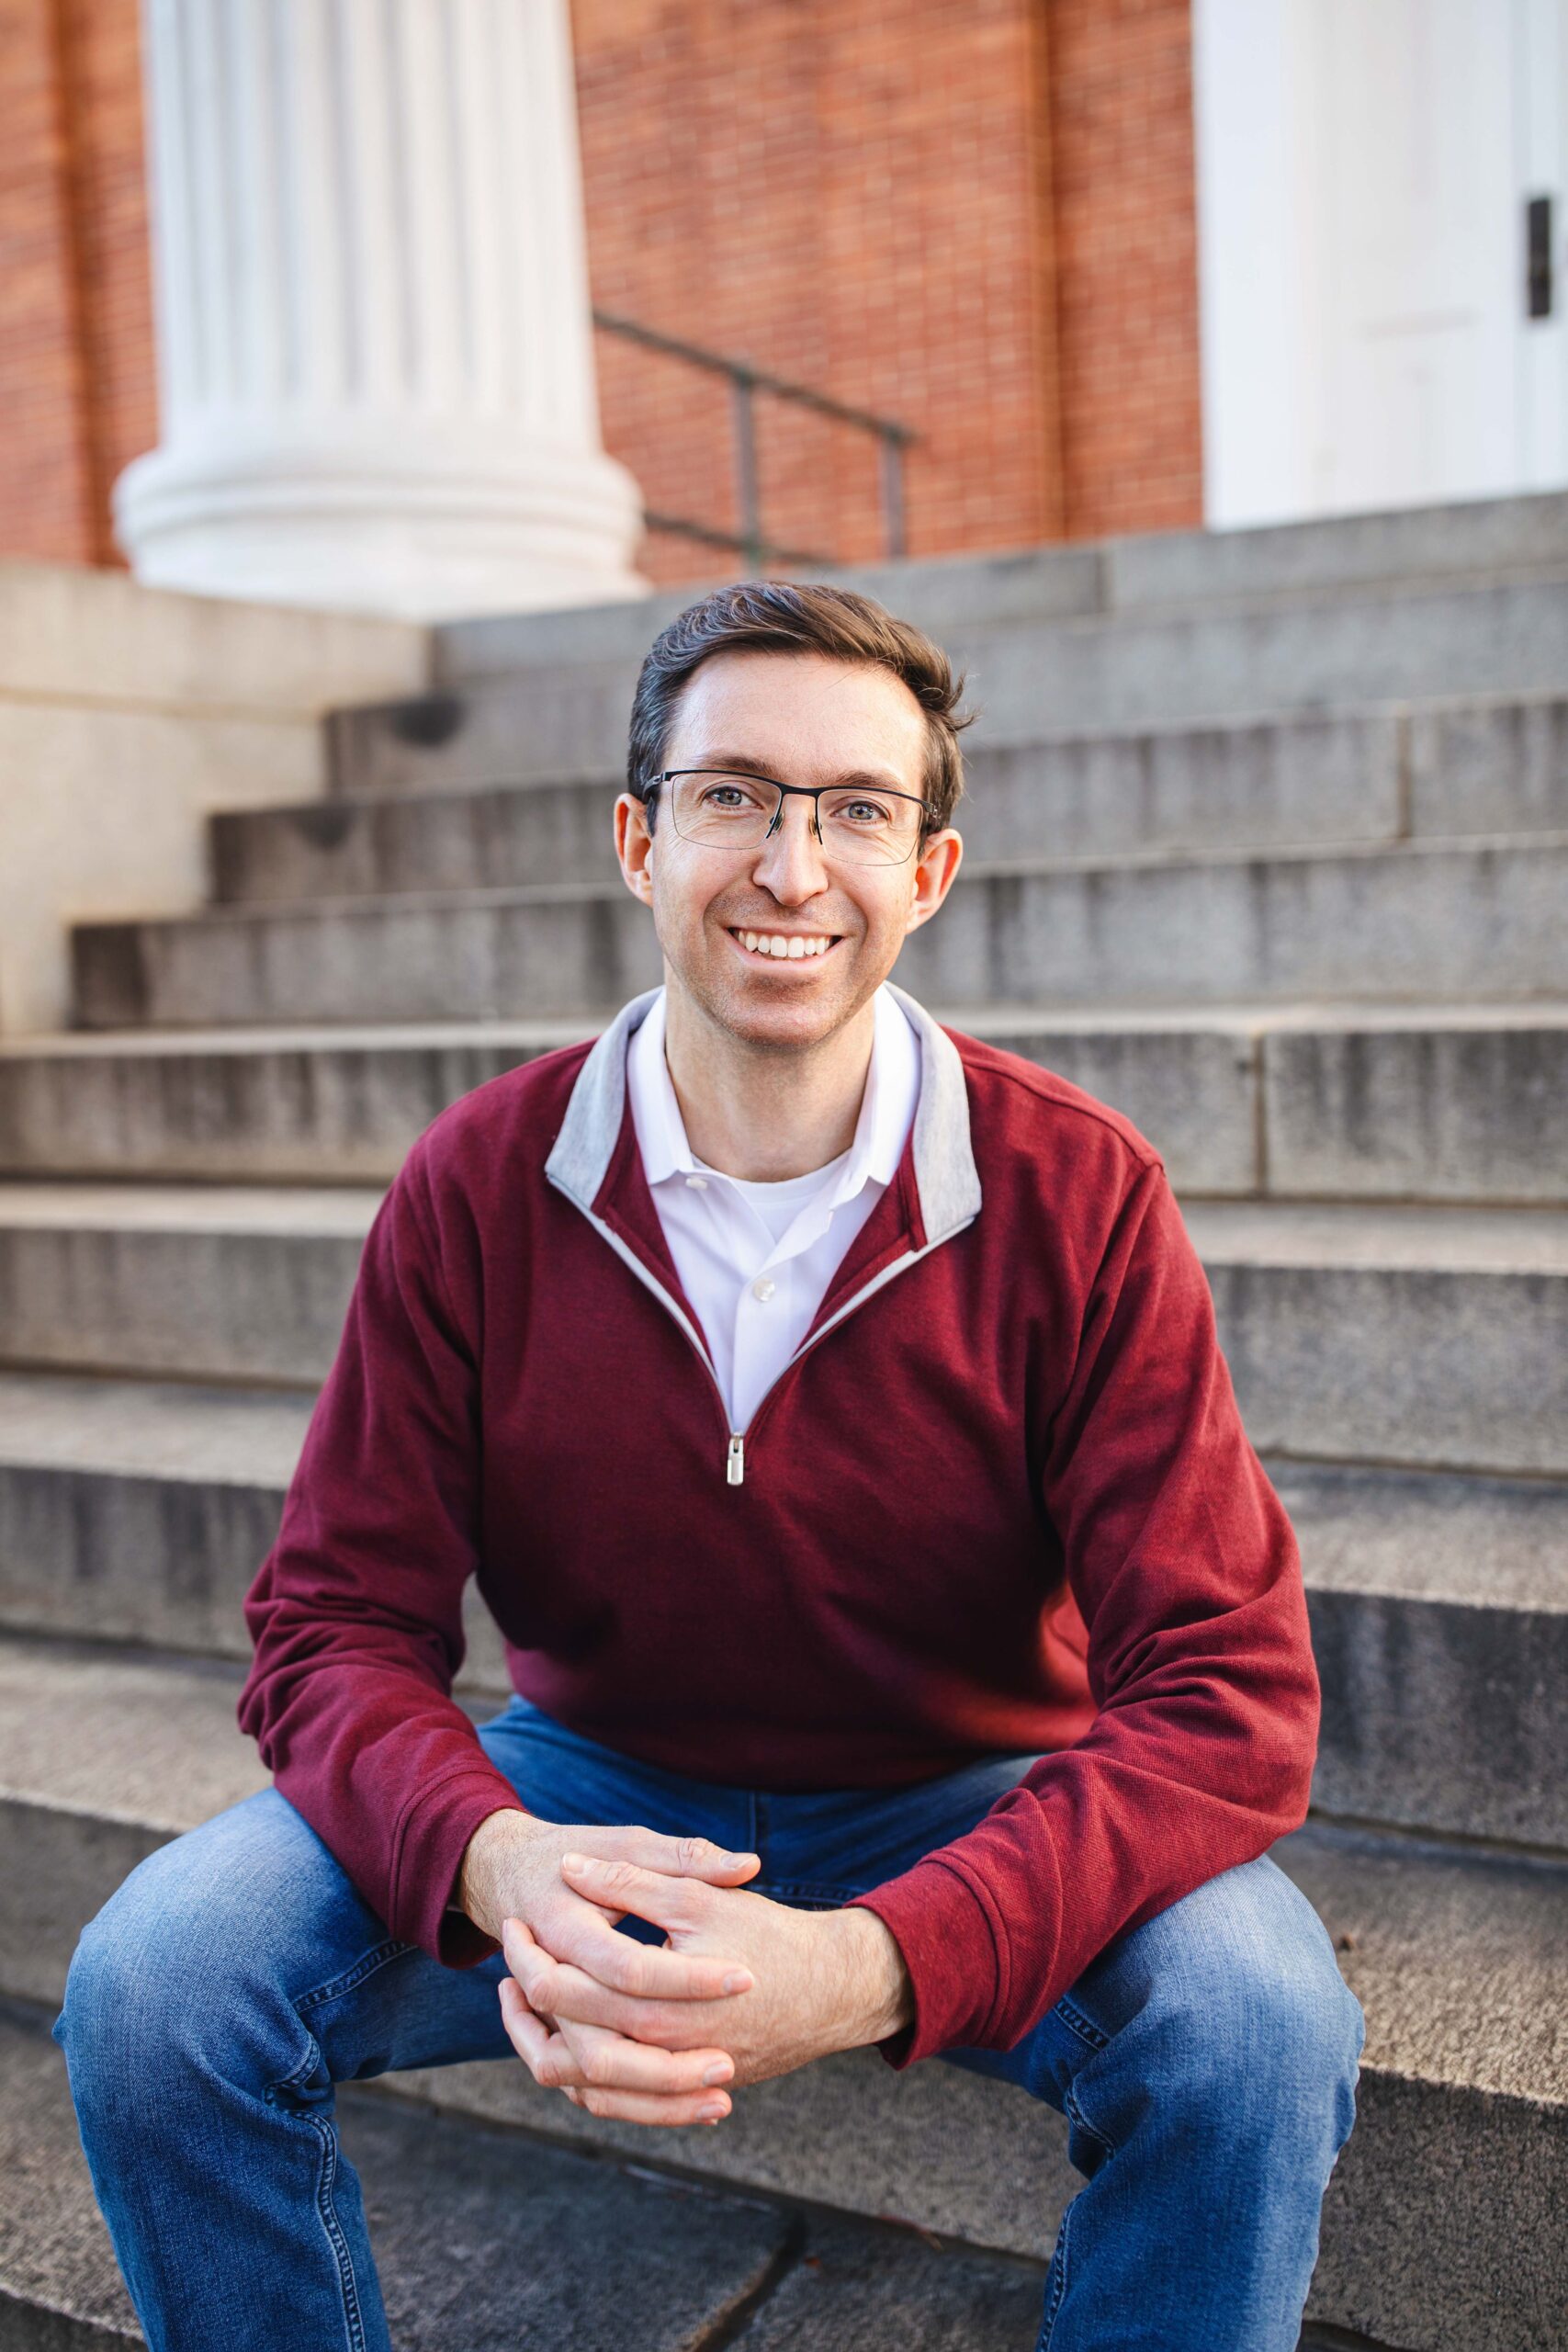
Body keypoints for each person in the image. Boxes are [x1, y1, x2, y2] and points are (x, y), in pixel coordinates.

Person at [55, 581, 1364, 2352]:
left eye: (856, 810)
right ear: (638, 840)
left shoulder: (1078, 1192)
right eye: (733, 793)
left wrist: (881, 1960)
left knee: (1258, 2024)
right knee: (157, 1988)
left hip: (966, 1789)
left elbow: (1228, 1691)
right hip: (582, 1784)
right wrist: (497, 1863)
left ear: (929, 871)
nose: (791, 867)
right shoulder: (480, 1181)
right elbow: (330, 1627)